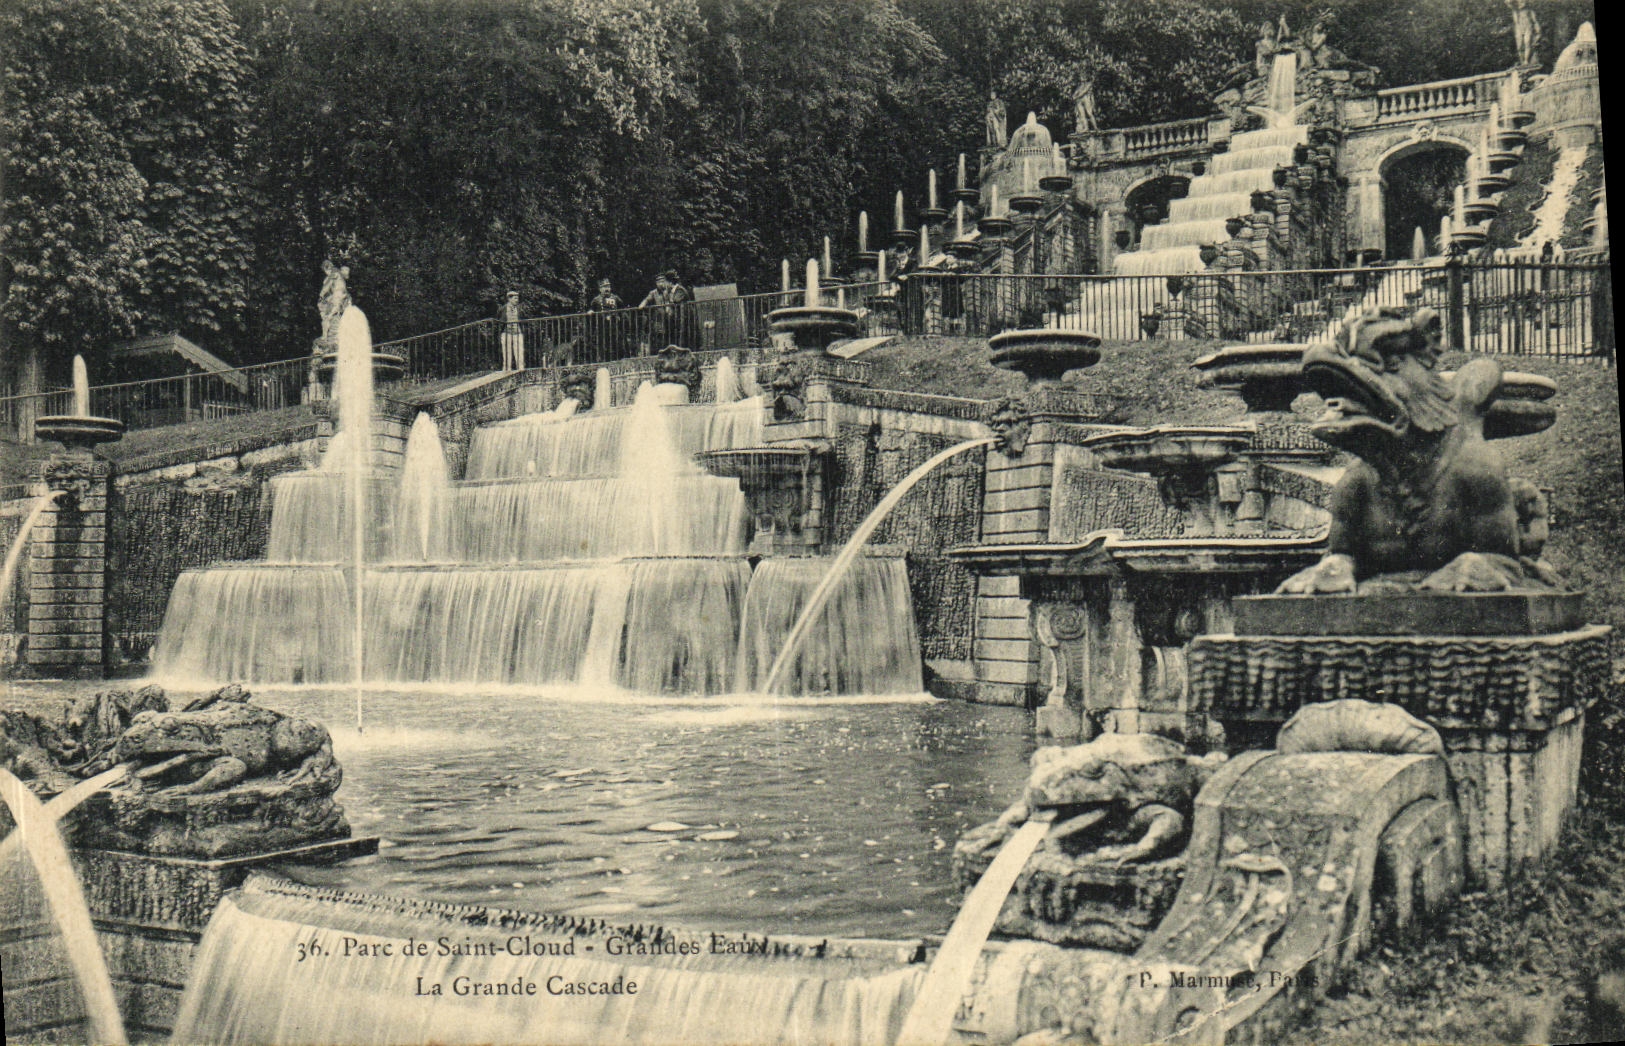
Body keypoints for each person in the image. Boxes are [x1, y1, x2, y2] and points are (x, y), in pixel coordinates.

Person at [500, 290, 525, 371]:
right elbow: (500, 321)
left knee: (519, 350)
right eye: (515, 298)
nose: (517, 300)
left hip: (518, 332)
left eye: (517, 298)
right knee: (507, 351)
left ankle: (520, 368)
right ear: (509, 299)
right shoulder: (503, 308)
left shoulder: (519, 309)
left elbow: (522, 319)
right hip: (506, 332)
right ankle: (507, 369)